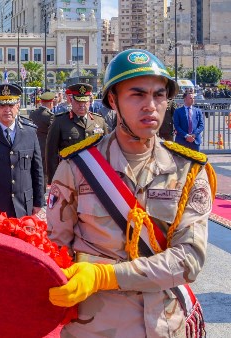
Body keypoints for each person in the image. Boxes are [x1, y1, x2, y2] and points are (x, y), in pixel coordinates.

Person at [47, 49, 214, 337]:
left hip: (164, 325)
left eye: (159, 95)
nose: (151, 105)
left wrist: (105, 275)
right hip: (95, 327)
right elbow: (54, 254)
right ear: (113, 100)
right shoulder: (78, 167)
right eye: (137, 95)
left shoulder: (188, 171)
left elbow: (189, 261)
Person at [0, 84, 44, 217]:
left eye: (11, 105)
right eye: (2, 106)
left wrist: (38, 201)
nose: (7, 110)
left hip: (23, 205)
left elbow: (37, 169)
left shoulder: (30, 132)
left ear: (18, 106)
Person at [45, 83, 108, 184]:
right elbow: (51, 153)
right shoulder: (60, 122)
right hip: (70, 177)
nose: (82, 105)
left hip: (96, 177)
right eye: (78, 102)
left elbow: (107, 149)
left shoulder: (99, 121)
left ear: (89, 101)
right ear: (71, 101)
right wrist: (54, 180)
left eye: (85, 102)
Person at [28, 91, 55, 184]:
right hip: (45, 148)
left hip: (32, 145)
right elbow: (53, 134)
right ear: (51, 103)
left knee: (35, 170)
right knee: (43, 172)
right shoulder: (50, 116)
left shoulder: (33, 114)